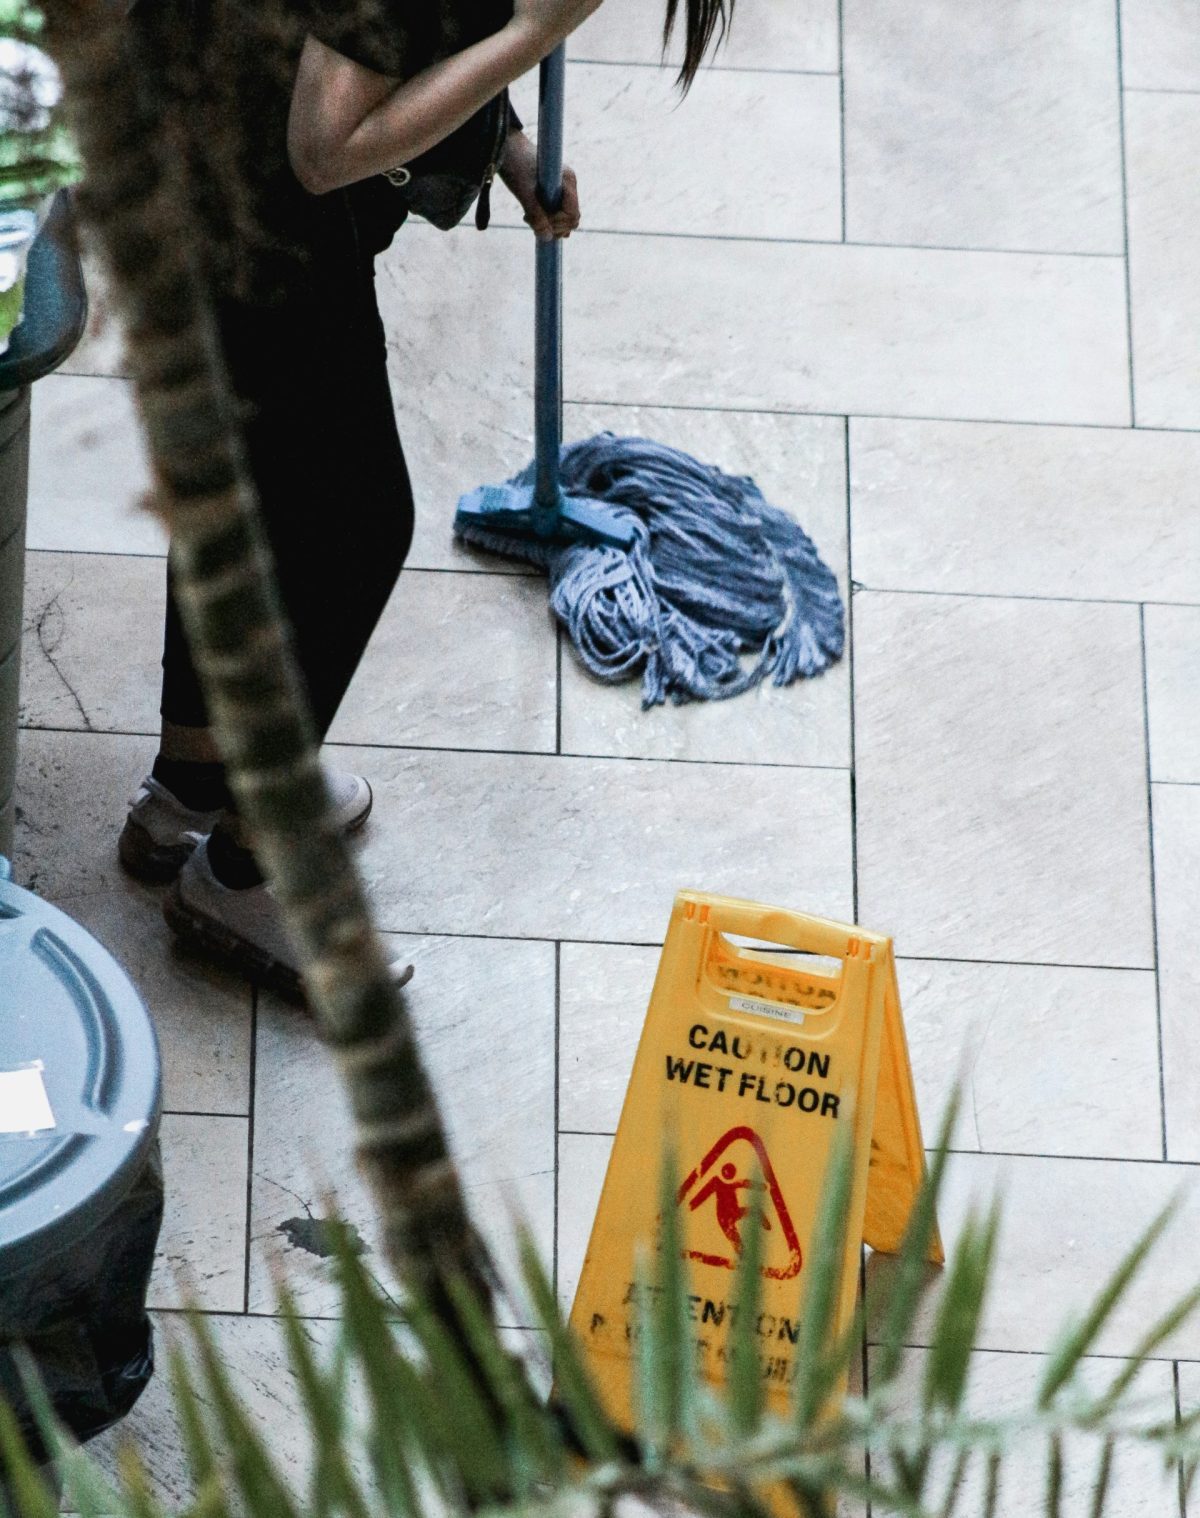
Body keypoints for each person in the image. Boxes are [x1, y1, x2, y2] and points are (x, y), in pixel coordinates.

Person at [117, 0, 733, 996]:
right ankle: (242, 868)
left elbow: (420, 32)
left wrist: (508, 144)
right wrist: (531, 34)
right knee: (355, 522)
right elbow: (325, 147)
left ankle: (188, 787)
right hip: (233, 188)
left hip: (197, 123)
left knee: (252, 483)